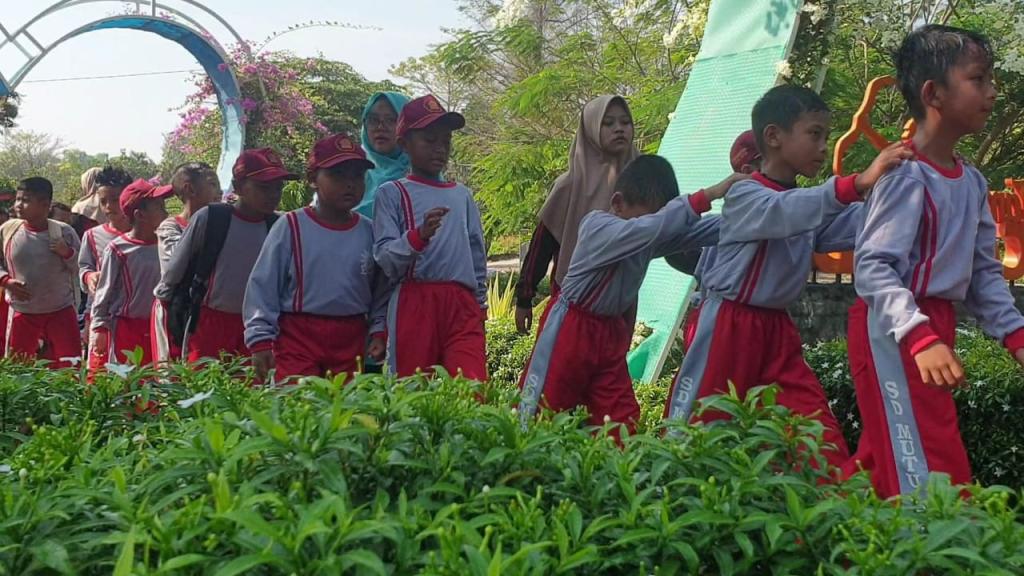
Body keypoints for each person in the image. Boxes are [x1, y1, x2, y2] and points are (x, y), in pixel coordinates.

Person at [662, 85, 912, 470]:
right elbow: (784, 210)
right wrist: (858, 182)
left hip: (777, 333)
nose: (824, 147)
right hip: (728, 327)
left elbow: (856, 222)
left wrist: (908, 191)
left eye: (826, 136)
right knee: (692, 440)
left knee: (818, 442)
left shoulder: (805, 205)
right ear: (774, 137)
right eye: (814, 134)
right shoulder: (747, 194)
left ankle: (825, 521)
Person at [845, 25, 1024, 497]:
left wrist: (1015, 334)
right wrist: (919, 336)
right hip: (893, 328)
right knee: (929, 464)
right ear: (933, 93)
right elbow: (873, 267)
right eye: (978, 79)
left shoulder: (971, 183)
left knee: (887, 458)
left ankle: (823, 546)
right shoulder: (904, 177)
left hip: (929, 324)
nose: (991, 92)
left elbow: (984, 274)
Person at [518, 155, 740, 436]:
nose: (658, 227)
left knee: (620, 425)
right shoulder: (597, 226)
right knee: (538, 416)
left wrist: (755, 214)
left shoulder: (647, 233)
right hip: (570, 329)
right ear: (617, 203)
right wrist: (709, 194)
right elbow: (652, 228)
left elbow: (697, 231)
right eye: (653, 215)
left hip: (609, 336)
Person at [245, 134, 390, 382]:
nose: (350, 184)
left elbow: (380, 290)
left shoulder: (370, 231)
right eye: (338, 175)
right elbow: (263, 285)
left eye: (357, 176)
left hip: (351, 337)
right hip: (297, 337)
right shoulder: (290, 226)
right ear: (313, 179)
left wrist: (378, 329)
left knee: (346, 412)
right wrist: (260, 339)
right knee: (297, 407)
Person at [374, 95, 488, 380]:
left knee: (470, 385)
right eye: (429, 139)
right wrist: (418, 236)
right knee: (412, 388)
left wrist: (480, 306)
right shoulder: (392, 193)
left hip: (462, 304)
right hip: (415, 300)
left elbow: (476, 255)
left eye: (446, 141)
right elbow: (385, 259)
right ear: (404, 144)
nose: (440, 148)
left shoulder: (462, 195)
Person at [514, 95, 639, 334]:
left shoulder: (641, 181)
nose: (619, 129)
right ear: (590, 129)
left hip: (621, 301)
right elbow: (542, 245)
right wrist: (524, 297)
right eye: (608, 123)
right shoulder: (570, 185)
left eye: (625, 122)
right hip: (573, 301)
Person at [155, 148, 295, 362]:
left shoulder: (280, 226)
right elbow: (174, 273)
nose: (273, 195)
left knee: (254, 391)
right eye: (264, 187)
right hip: (209, 324)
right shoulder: (211, 218)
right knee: (205, 389)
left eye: (278, 188)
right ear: (238, 187)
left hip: (259, 328)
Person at [669, 130, 763, 350]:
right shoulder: (722, 226)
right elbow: (668, 243)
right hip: (719, 331)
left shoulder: (791, 216)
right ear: (748, 172)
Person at [89, 180, 172, 371]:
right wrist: (99, 327)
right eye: (159, 207)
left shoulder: (168, 244)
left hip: (160, 324)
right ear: (140, 214)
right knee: (128, 381)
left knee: (158, 380)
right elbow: (104, 292)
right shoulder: (119, 249)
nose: (166, 213)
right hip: (127, 328)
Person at [0, 177, 81, 366]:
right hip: (23, 312)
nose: (18, 205)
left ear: (45, 204)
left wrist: (67, 253)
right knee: (17, 369)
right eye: (18, 199)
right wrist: (6, 281)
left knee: (71, 367)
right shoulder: (8, 231)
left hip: (60, 311)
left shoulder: (64, 233)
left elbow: (81, 268)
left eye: (25, 200)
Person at [151, 162, 220, 364]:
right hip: (174, 308)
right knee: (172, 372)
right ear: (190, 189)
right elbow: (176, 266)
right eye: (212, 184)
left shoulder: (221, 223)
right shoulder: (170, 227)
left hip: (202, 311)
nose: (220, 191)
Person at [79, 166, 133, 353]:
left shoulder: (148, 234)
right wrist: (89, 277)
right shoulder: (92, 236)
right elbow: (84, 267)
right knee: (100, 375)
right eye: (103, 201)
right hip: (101, 316)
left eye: (115, 199)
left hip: (134, 317)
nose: (109, 206)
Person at [359, 92, 411, 217]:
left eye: (391, 120)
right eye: (373, 120)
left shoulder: (422, 174)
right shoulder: (352, 172)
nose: (380, 127)